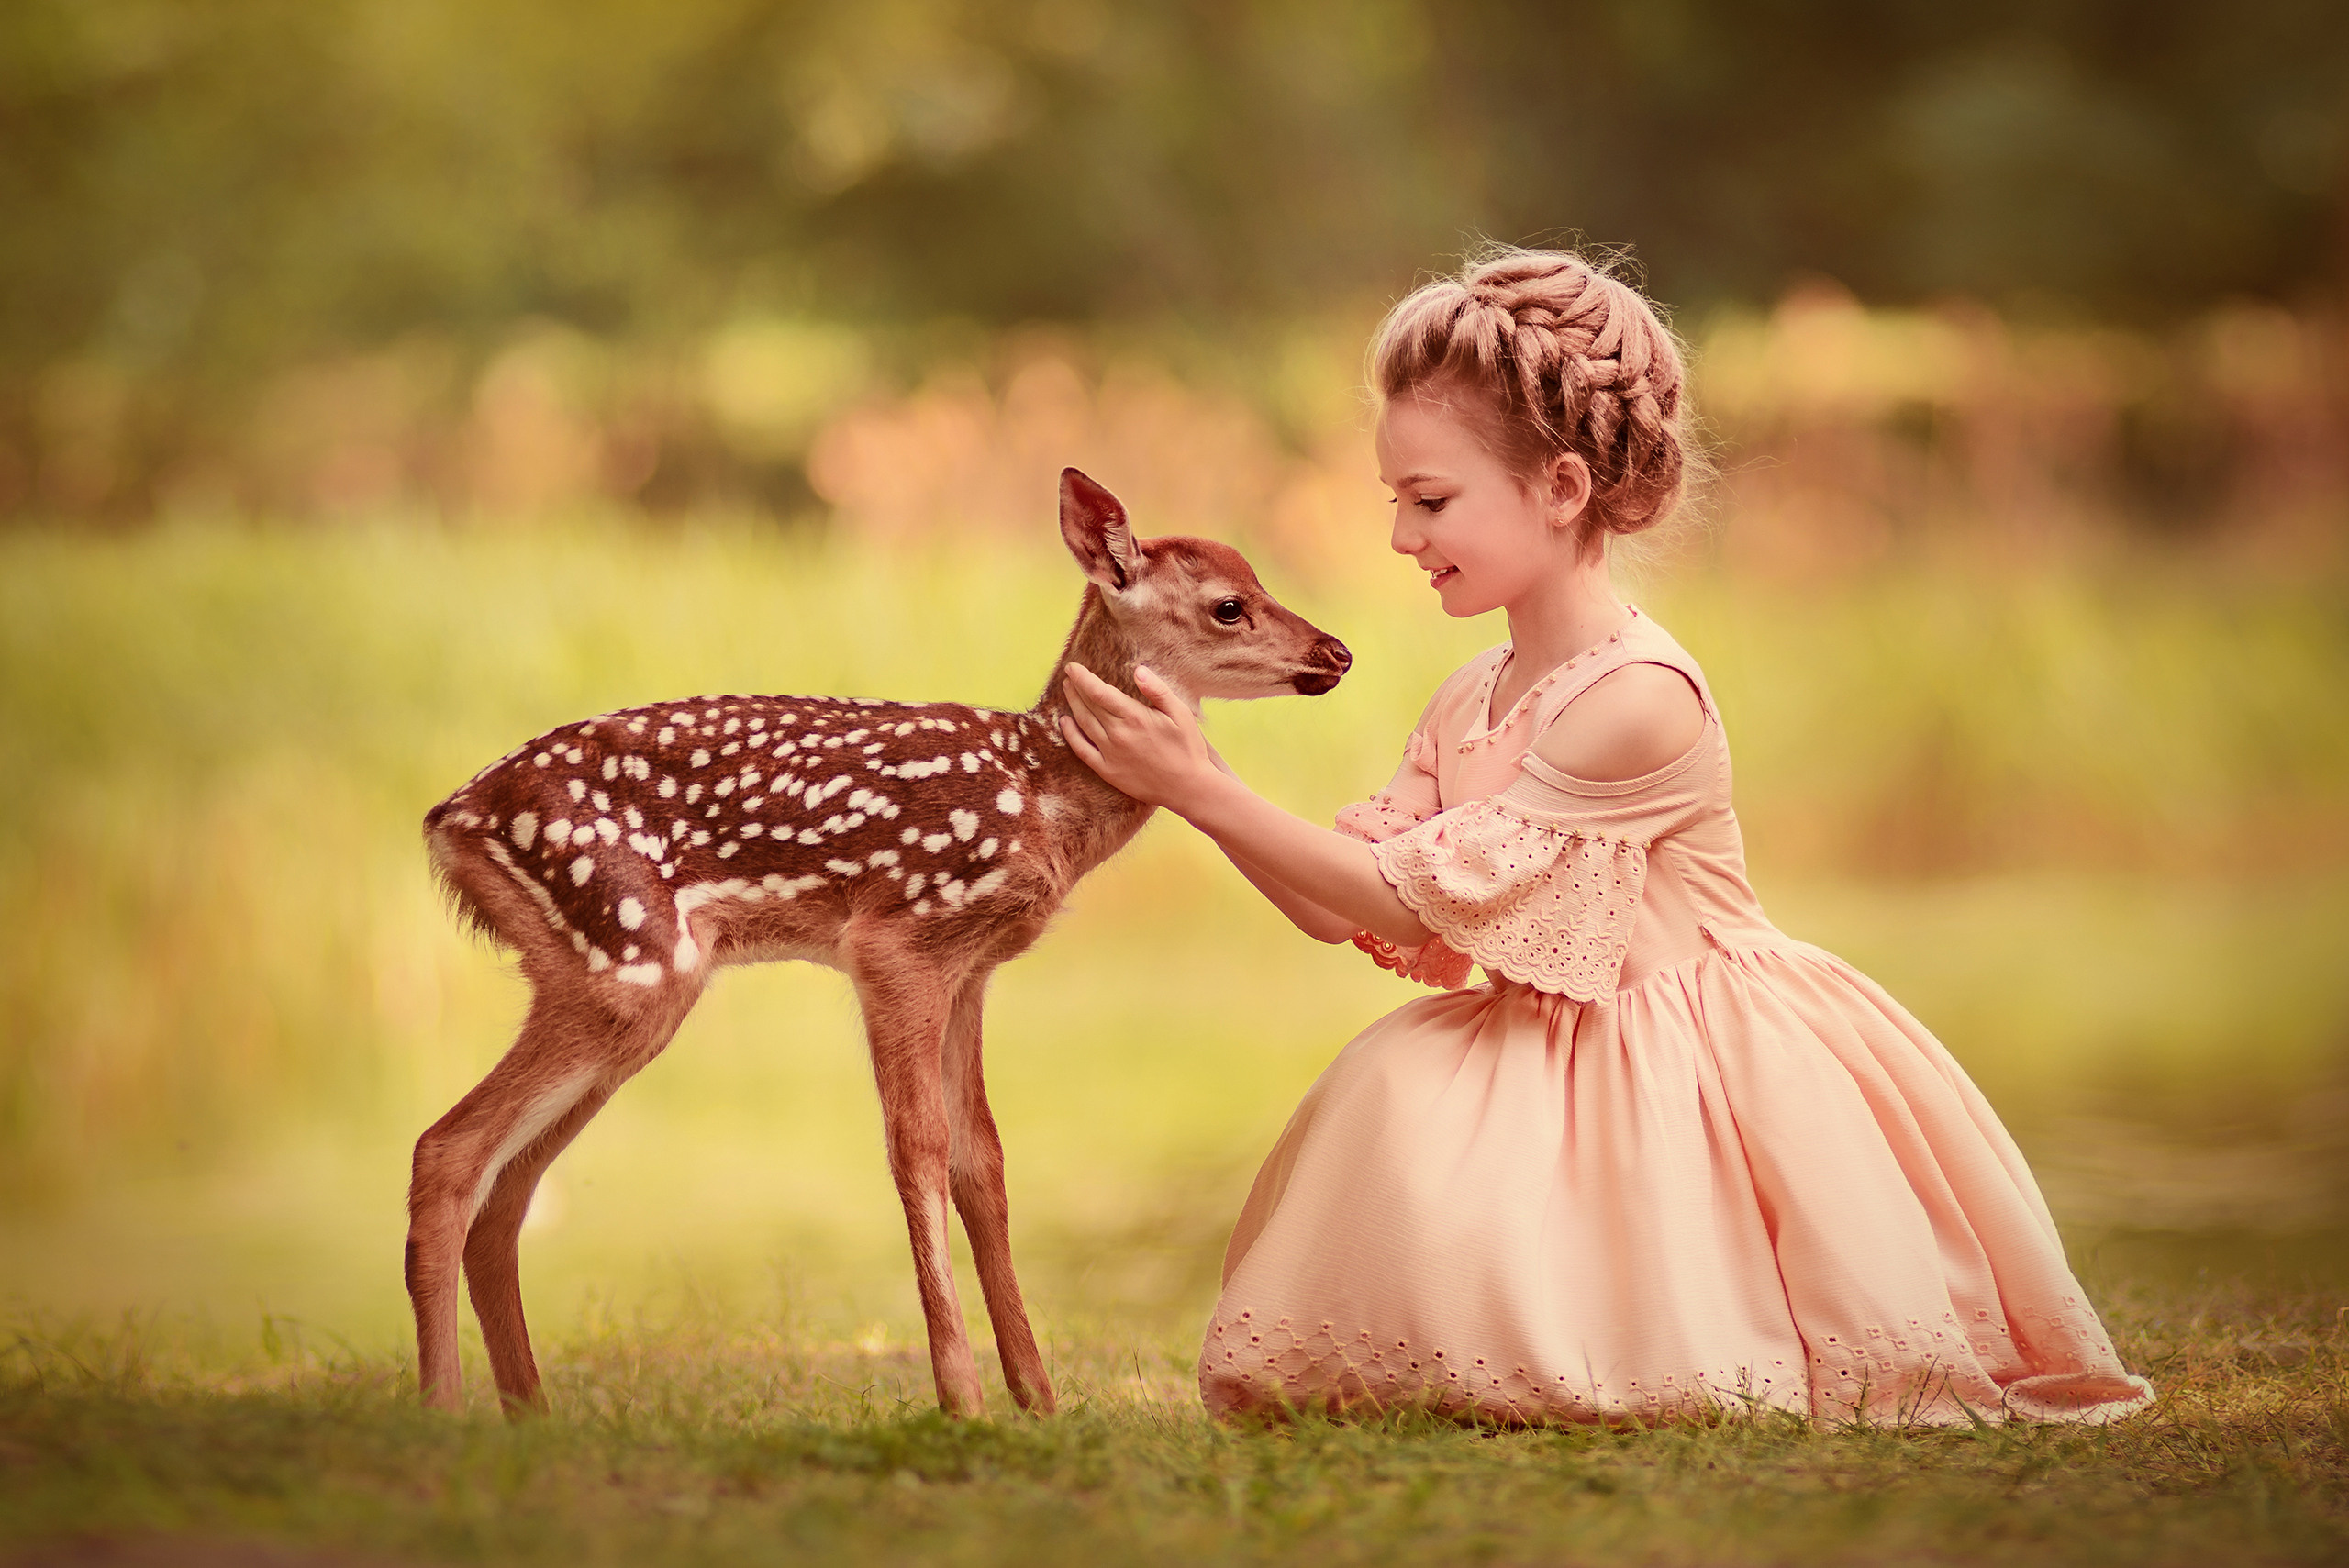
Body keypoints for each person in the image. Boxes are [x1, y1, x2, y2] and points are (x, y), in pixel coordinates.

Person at [1056, 247, 2154, 1428]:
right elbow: (1339, 905)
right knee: (1397, 1085)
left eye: (1428, 500)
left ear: (1562, 488)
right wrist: (1193, 772)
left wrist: (1202, 789)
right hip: (1549, 1033)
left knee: (1643, 1306)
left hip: (1695, 1047)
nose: (1399, 536)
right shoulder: (1472, 692)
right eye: (1396, 502)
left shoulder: (1637, 700)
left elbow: (1408, 900)